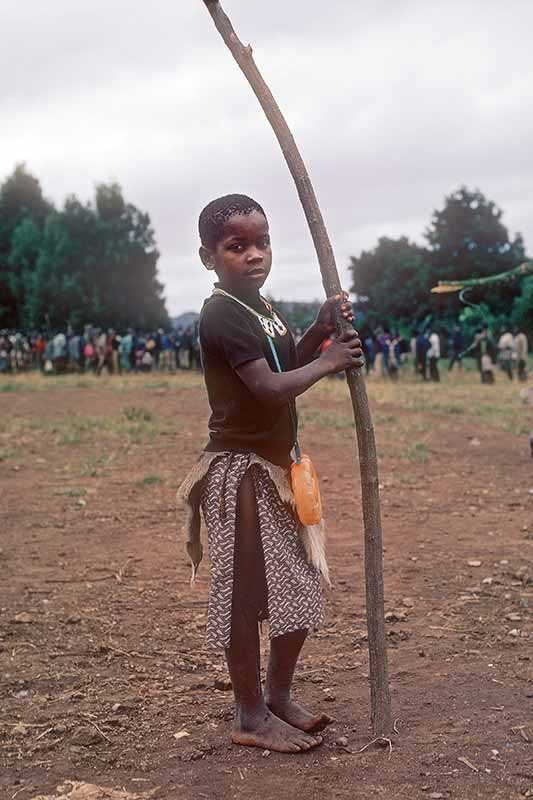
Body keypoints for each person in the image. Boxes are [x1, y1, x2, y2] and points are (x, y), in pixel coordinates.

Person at [177, 194, 363, 754]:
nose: (254, 255)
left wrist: (319, 329)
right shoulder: (221, 313)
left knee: (295, 587)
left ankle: (277, 697)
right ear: (209, 257)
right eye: (237, 246)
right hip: (242, 474)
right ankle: (249, 716)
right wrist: (329, 362)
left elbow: (286, 361)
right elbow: (267, 388)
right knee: (247, 598)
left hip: (278, 471)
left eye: (262, 243)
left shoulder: (263, 306)